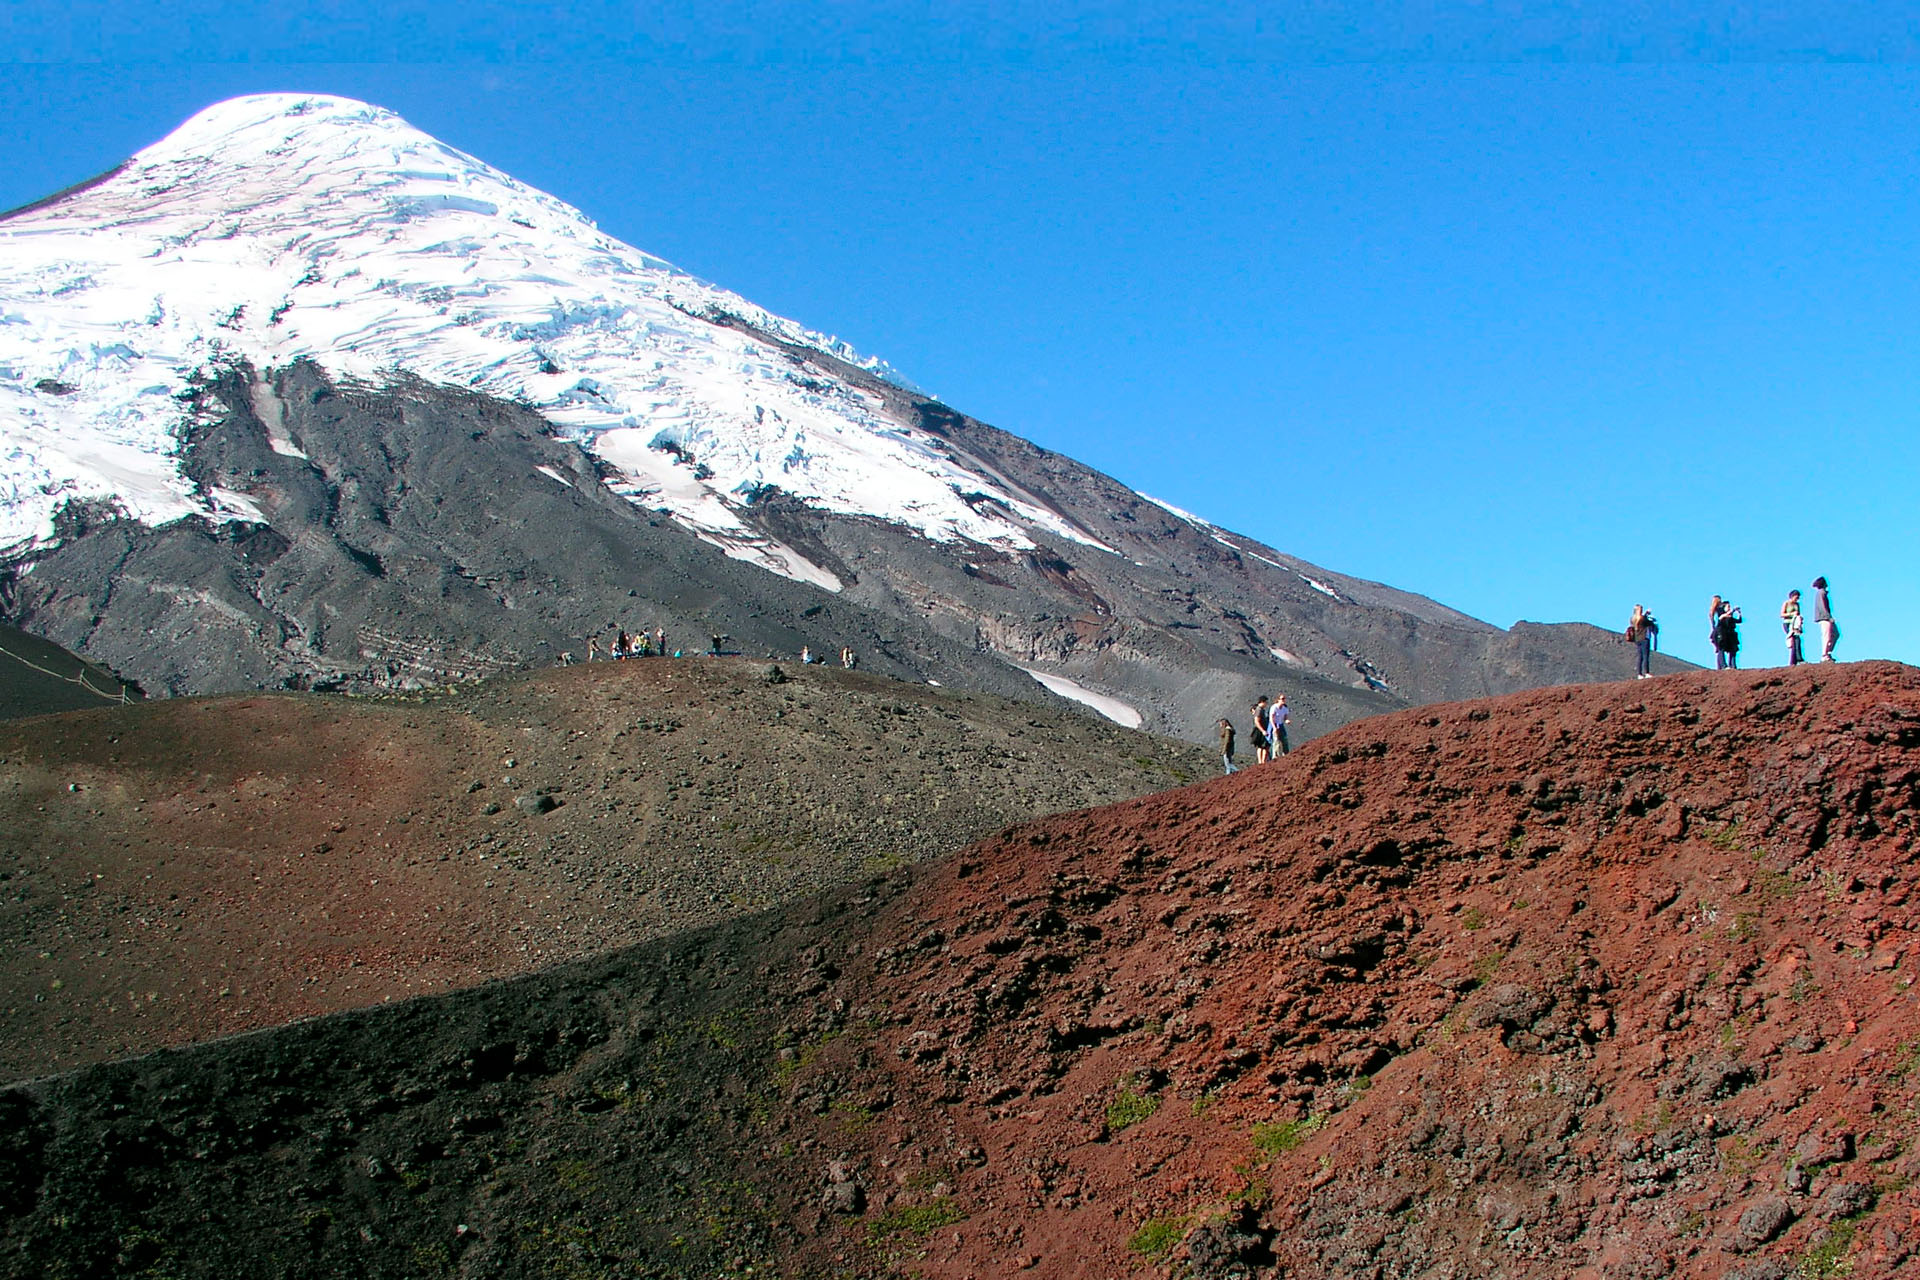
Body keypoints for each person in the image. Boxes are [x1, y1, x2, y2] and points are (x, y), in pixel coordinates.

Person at [1625, 605, 1658, 679]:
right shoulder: (1643, 619)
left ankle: (1639, 674)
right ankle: (1646, 673)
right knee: (1646, 656)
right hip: (1644, 638)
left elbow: (1642, 620)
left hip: (1637, 639)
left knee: (1640, 656)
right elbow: (1648, 622)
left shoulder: (1632, 619)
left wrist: (1646, 614)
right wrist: (1648, 614)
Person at [1812, 577, 1838, 661]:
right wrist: (1829, 617)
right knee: (1827, 636)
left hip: (1825, 617)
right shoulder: (1821, 593)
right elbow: (1822, 607)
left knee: (1835, 634)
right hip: (1824, 618)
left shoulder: (1822, 593)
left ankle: (1827, 652)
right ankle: (1824, 654)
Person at [1714, 603, 1743, 670]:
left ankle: (1733, 665)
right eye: (1728, 607)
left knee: (1733, 650)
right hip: (1721, 635)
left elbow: (1739, 621)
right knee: (1721, 649)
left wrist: (1739, 613)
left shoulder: (1730, 618)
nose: (1729, 608)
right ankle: (1723, 665)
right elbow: (1723, 616)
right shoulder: (1721, 615)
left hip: (1729, 635)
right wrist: (1733, 610)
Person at [1781, 590, 1804, 665]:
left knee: (1797, 640)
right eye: (1796, 597)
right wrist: (1791, 614)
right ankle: (1795, 660)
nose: (1797, 599)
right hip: (1788, 623)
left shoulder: (1797, 604)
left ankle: (1797, 659)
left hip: (1795, 624)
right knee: (1793, 640)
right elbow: (1782, 614)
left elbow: (1798, 614)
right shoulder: (1786, 603)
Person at [1249, 696, 1271, 765]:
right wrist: (1262, 730)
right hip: (1260, 730)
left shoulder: (1261, 710)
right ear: (1262, 702)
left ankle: (1262, 762)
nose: (1266, 704)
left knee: (1263, 746)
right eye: (1266, 702)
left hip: (1262, 729)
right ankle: (1261, 762)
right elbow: (1256, 721)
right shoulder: (1259, 710)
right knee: (1262, 746)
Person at [1709, 596, 1729, 669]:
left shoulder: (1712, 612)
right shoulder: (1719, 609)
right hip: (1720, 630)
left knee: (1719, 648)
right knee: (1721, 648)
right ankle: (1723, 665)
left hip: (1716, 630)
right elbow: (1721, 618)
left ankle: (1720, 666)